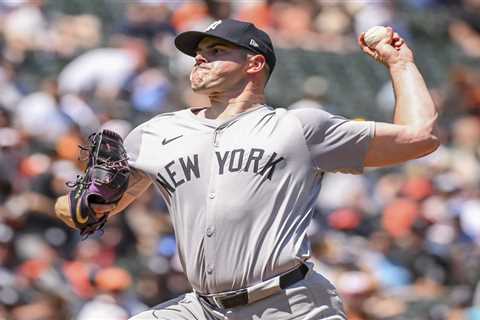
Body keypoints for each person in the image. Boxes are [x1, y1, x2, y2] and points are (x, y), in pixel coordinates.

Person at [55, 18, 439, 320]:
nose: (200, 57)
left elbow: (419, 137)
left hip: (289, 303)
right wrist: (84, 204)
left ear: (254, 63)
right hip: (202, 308)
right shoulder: (155, 133)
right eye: (198, 52)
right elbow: (84, 212)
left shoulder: (299, 128)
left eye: (215, 49)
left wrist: (399, 63)